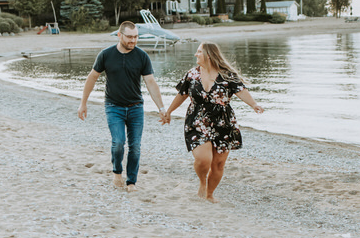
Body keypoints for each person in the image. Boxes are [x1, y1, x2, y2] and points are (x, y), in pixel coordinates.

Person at [161, 41, 264, 201]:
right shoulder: (192, 74)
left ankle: (209, 194)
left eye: (199, 52)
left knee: (218, 164)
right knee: (203, 159)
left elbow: (241, 91)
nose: (196, 54)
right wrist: (169, 111)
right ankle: (203, 182)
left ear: (208, 55)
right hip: (197, 120)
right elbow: (182, 94)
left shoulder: (227, 75)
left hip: (224, 123)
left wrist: (254, 104)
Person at [77, 21, 166, 191]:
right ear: (120, 35)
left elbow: (151, 82)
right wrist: (83, 103)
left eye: (136, 37)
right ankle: (117, 171)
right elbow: (92, 77)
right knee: (118, 143)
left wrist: (161, 108)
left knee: (135, 147)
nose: (133, 40)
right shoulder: (106, 55)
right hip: (113, 107)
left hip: (136, 107)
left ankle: (131, 181)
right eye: (130, 37)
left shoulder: (142, 56)